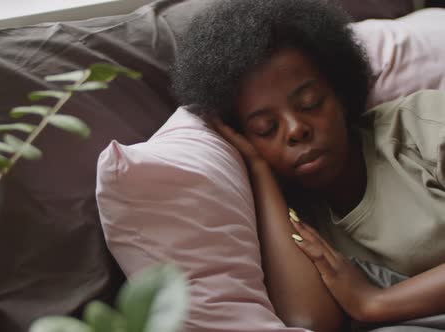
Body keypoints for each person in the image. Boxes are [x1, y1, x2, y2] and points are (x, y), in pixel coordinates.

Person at [171, 0, 445, 331]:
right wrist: (259, 171)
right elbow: (310, 321)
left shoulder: (423, 126)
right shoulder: (297, 217)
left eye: (310, 104)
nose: (295, 129)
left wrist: (374, 303)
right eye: (265, 129)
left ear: (341, 93)